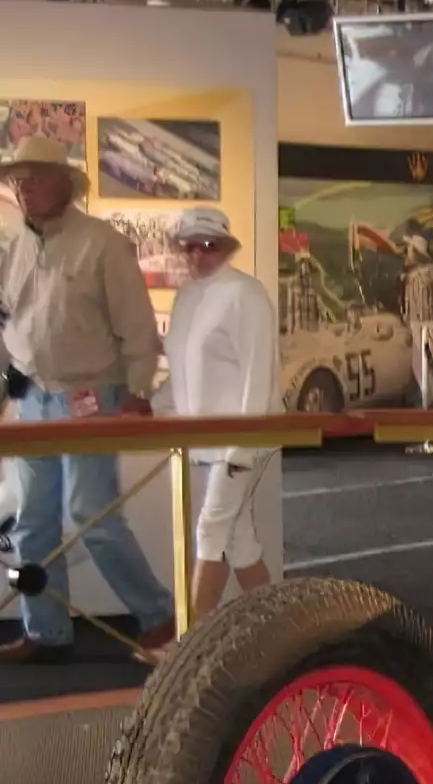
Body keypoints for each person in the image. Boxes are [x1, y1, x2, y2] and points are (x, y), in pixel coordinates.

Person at [0, 135, 173, 665]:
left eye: (37, 178)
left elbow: (137, 325)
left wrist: (138, 391)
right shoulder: (13, 247)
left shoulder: (103, 244)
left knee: (90, 513)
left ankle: (159, 617)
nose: (25, 188)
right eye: (19, 180)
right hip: (33, 397)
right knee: (30, 523)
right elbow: (7, 325)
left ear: (66, 184)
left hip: (92, 394)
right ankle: (45, 630)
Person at [153, 208, 279, 631]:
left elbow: (258, 374)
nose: (198, 254)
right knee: (238, 540)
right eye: (190, 246)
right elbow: (181, 371)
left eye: (208, 245)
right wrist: (151, 406)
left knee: (211, 530)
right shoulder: (186, 296)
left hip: (238, 442)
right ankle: (277, 629)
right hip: (201, 444)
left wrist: (241, 449)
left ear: (225, 248)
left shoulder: (246, 294)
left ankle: (188, 643)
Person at [402, 233, 433, 405]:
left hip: (428, 322)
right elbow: (408, 301)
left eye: (410, 249)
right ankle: (431, 397)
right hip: (418, 322)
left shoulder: (431, 273)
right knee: (422, 361)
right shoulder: (413, 275)